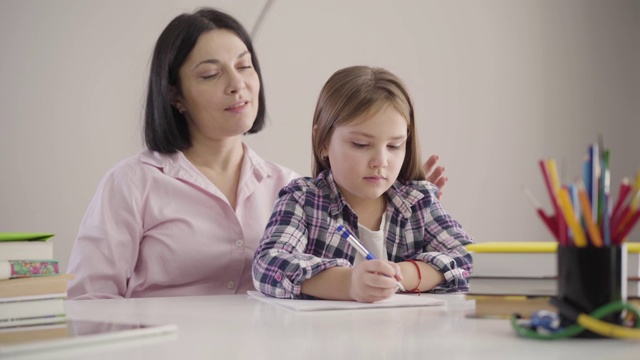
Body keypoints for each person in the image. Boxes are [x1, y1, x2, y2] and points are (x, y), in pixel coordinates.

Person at [67, 8, 448, 299]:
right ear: (175, 96)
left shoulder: (289, 186)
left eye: (244, 66)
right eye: (210, 74)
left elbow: (350, 274)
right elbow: (90, 301)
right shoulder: (132, 184)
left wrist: (394, 203)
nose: (238, 85)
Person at [252, 66, 474, 303]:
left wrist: (407, 274)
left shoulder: (418, 202)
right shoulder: (303, 199)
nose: (380, 162)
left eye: (394, 146)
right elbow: (267, 265)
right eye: (360, 144)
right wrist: (348, 283)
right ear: (323, 141)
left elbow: (474, 260)